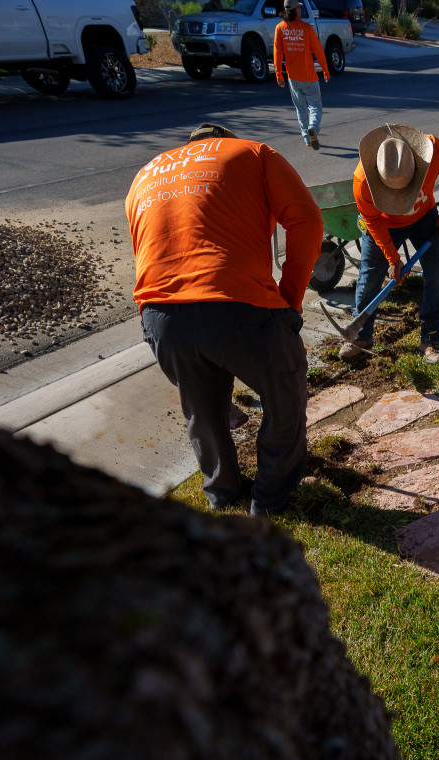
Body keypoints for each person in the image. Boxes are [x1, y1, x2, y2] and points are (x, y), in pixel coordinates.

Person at [126, 122, 323, 516]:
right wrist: (289, 300)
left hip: (161, 316)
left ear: (190, 147)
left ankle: (223, 493)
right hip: (237, 306)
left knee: (202, 410)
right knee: (284, 392)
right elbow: (307, 220)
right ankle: (269, 500)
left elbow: (146, 251)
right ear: (224, 142)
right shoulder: (252, 153)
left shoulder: (144, 175)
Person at [340, 123, 439, 365]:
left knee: (436, 274)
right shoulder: (362, 182)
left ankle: (430, 337)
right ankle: (361, 337)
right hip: (383, 226)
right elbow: (372, 222)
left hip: (424, 218)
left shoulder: (434, 151)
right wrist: (392, 258)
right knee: (368, 277)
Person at [273, 0, 330, 150]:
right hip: (309, 76)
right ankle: (313, 128)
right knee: (315, 106)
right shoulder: (306, 28)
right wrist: (325, 69)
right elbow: (318, 50)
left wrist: (278, 73)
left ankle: (307, 137)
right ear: (297, 10)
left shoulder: (280, 28)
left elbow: (277, 52)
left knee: (300, 108)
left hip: (293, 77)